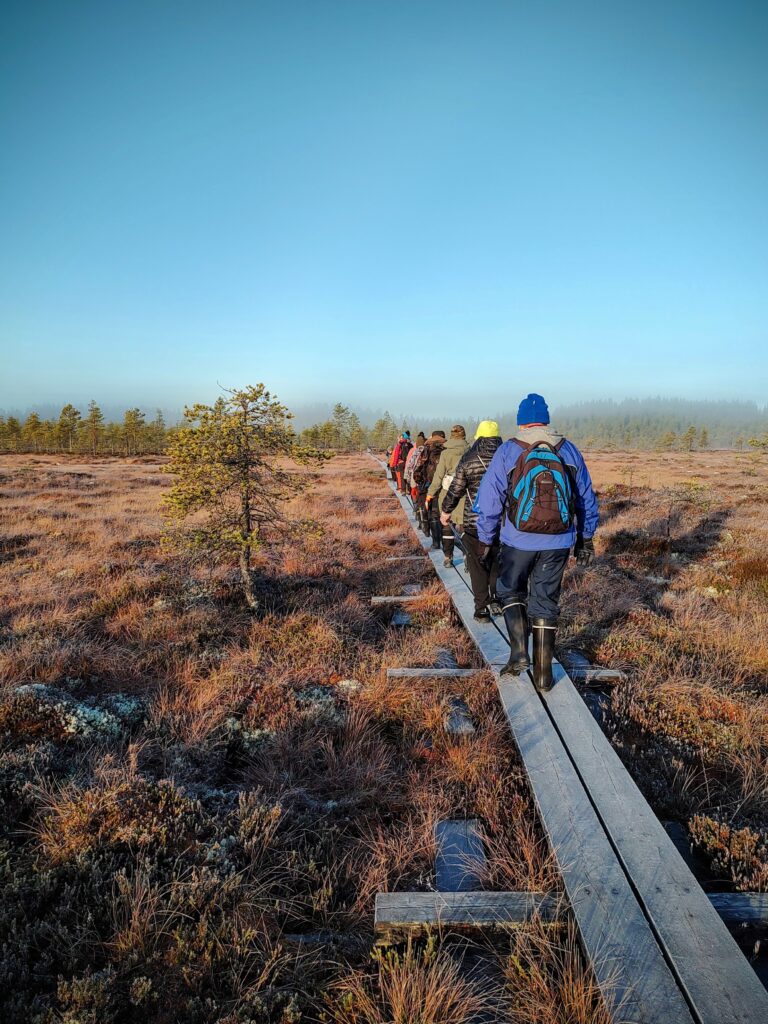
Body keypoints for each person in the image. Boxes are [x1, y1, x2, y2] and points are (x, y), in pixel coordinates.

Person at [474, 394, 598, 690]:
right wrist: (586, 538)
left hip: (517, 539)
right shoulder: (568, 450)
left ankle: (518, 653)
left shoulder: (508, 451)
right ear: (546, 418)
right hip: (558, 541)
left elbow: (489, 502)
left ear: (520, 420)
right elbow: (586, 499)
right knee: (545, 599)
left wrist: (485, 540)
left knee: (509, 589)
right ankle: (544, 676)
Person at [441, 420, 502, 620]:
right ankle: (496, 601)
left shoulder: (469, 458)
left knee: (477, 564)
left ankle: (481, 608)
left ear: (479, 438)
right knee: (496, 561)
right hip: (503, 522)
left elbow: (456, 488)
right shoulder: (508, 457)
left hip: (475, 521)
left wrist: (445, 510)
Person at [428, 425, 469, 566]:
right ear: (464, 436)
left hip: (447, 493)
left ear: (451, 436)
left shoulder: (445, 454)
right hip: (465, 493)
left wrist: (430, 493)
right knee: (463, 525)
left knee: (447, 524)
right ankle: (466, 557)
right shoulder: (469, 452)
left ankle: (448, 557)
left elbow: (438, 476)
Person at [413, 430, 446, 539]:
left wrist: (418, 481)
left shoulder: (425, 450)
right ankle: (445, 538)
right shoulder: (447, 450)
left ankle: (434, 539)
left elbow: (417, 468)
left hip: (428, 484)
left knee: (432, 512)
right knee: (444, 511)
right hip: (444, 486)